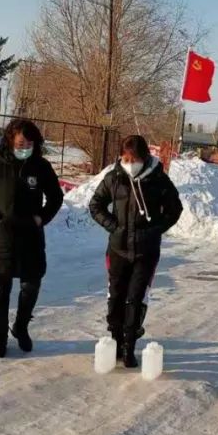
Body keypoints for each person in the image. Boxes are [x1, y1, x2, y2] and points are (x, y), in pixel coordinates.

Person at [0, 118, 64, 358]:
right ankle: (0, 336)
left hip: (31, 237)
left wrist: (41, 218)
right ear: (11, 140)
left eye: (30, 143)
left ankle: (21, 327)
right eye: (22, 142)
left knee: (30, 286)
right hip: (1, 238)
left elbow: (55, 198)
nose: (26, 146)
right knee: (0, 290)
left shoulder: (41, 167)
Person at [89, 135, 183, 368]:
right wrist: (114, 226)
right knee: (116, 297)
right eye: (126, 158)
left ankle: (129, 346)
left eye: (135, 159)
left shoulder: (158, 179)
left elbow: (174, 209)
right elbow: (95, 205)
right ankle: (115, 342)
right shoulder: (114, 178)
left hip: (146, 252)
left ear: (145, 158)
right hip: (118, 250)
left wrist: (155, 230)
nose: (130, 163)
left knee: (135, 298)